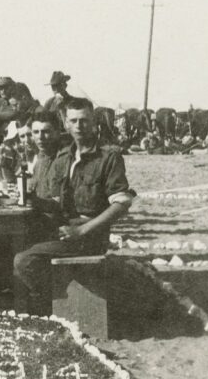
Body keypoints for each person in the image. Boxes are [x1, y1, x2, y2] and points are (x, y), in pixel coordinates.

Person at [13, 98, 136, 315]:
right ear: (66, 124)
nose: (79, 126)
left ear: (94, 122)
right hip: (64, 230)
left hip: (90, 236)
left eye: (84, 120)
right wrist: (34, 199)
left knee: (25, 260)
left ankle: (47, 306)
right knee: (12, 242)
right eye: (74, 121)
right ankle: (46, 299)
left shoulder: (109, 157)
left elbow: (121, 204)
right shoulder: (65, 156)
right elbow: (58, 203)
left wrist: (80, 231)